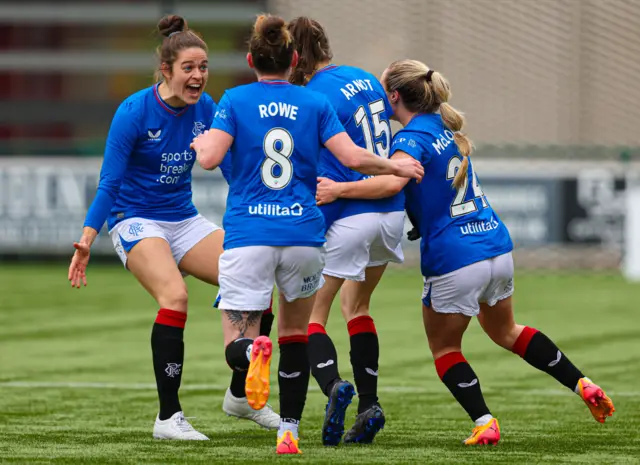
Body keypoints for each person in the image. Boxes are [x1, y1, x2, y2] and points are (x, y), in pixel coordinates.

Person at [316, 58, 615, 445]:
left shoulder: (409, 140)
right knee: (507, 331)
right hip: (495, 246)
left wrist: (339, 190)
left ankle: (484, 421)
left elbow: (392, 184)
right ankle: (582, 383)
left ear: (393, 96)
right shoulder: (443, 127)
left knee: (444, 349)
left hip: (456, 259)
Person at [191, 14, 423, 455]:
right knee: (297, 332)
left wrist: (202, 144)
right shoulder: (312, 104)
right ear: (291, 58)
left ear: (250, 59)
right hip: (303, 234)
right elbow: (354, 156)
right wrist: (395, 166)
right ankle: (290, 433)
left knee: (240, 340)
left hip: (250, 233)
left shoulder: (236, 100)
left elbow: (209, 159)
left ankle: (251, 354)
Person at [67, 14, 278, 440]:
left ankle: (240, 396)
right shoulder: (134, 111)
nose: (198, 75)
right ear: (166, 71)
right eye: (189, 68)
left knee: (256, 277)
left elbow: (233, 169)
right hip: (134, 220)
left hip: (183, 217)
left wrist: (263, 211)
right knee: (175, 297)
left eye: (203, 67)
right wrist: (88, 239)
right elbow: (109, 182)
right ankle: (168, 418)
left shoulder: (208, 108)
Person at [287, 16, 403, 446]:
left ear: (294, 57)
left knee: (311, 316)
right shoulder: (367, 79)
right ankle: (370, 403)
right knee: (358, 308)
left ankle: (334, 385)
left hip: (350, 211)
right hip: (390, 211)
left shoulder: (310, 97)